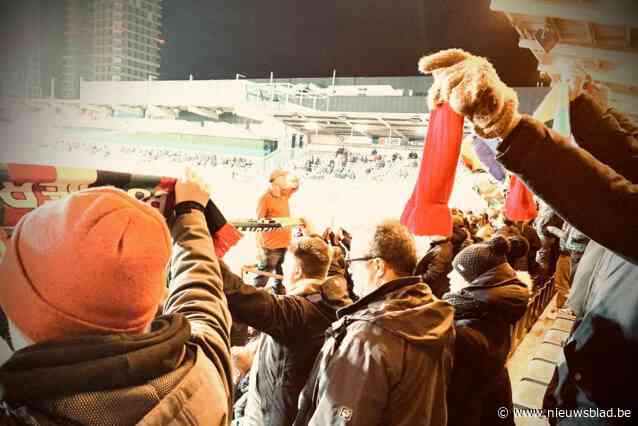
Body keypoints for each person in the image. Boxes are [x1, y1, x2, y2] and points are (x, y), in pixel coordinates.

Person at [420, 48, 637, 424]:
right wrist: (579, 105)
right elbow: (630, 159)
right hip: (593, 377)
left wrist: (506, 125)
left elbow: (618, 206)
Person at [0, 177, 234, 424]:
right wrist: (192, 212)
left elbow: (201, 287)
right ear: (150, 304)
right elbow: (200, 289)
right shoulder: (204, 369)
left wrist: (190, 211)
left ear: (27, 319)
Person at [294, 219, 454, 426]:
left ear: (378, 266)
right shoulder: (433, 314)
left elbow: (339, 419)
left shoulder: (366, 338)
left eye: (352, 261)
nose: (348, 270)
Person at [220, 228, 352, 426]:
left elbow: (239, 295)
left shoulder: (297, 314)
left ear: (297, 272)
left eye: (285, 265)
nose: (282, 271)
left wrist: (205, 251)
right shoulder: (338, 305)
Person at [444, 236, 530, 426]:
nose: (449, 276)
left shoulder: (465, 330)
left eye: (456, 272)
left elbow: (458, 402)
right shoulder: (491, 312)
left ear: (475, 281)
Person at [255, 169, 300, 294]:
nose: (286, 179)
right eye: (283, 177)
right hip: (270, 245)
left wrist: (296, 180)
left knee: (280, 272)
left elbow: (295, 188)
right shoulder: (265, 199)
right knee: (263, 275)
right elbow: (258, 224)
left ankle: (279, 293)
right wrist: (259, 248)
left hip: (284, 243)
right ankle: (253, 297)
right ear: (276, 180)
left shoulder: (284, 194)